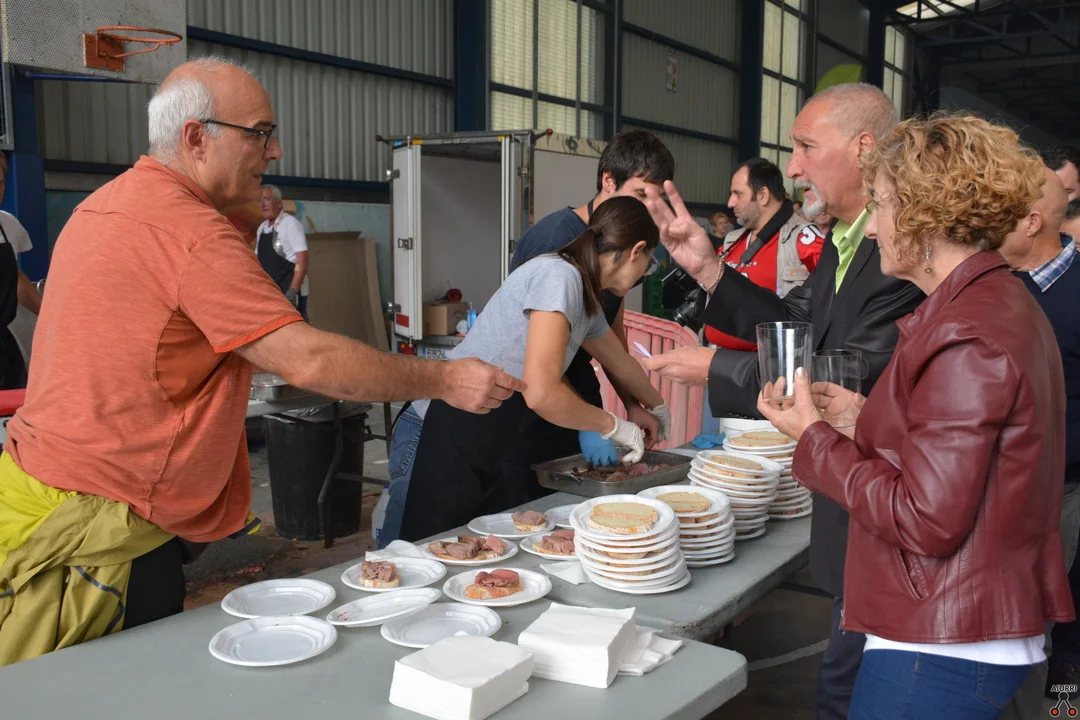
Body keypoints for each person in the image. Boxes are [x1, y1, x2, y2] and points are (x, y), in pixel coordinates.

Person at [0, 57, 523, 666]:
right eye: (259, 133)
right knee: (113, 683)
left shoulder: (103, 207)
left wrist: (241, 222)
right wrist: (446, 378)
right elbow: (308, 360)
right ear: (196, 138)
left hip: (40, 478)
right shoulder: (189, 233)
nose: (274, 151)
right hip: (103, 524)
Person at [757, 113, 1072, 720]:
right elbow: (970, 453)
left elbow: (927, 519)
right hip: (954, 624)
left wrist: (815, 439)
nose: (873, 227)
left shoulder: (966, 333)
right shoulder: (991, 303)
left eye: (880, 205)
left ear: (925, 218)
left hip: (944, 639)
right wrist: (862, 419)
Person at [641, 83, 925, 719]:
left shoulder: (897, 254)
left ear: (865, 147)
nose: (793, 167)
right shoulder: (846, 240)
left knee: (847, 693)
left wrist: (718, 367)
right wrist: (710, 270)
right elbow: (792, 325)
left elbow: (852, 374)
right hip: (856, 517)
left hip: (883, 523)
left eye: (806, 147)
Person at [378, 129, 675, 548]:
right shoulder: (559, 276)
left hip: (492, 422)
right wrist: (610, 424)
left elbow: (619, 360)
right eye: (649, 263)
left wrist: (654, 406)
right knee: (429, 550)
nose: (646, 273)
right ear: (636, 250)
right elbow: (541, 391)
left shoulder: (586, 292)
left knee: (483, 551)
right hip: (456, 423)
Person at [998, 168, 1080, 706]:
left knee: (1052, 621)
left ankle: (1060, 703)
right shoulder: (998, 285)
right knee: (1015, 620)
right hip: (1002, 488)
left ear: (1031, 223)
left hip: (1063, 489)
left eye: (999, 214)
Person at [705, 158, 822, 352]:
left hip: (766, 365)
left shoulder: (803, 239)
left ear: (763, 196)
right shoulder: (731, 241)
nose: (730, 202)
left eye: (737, 194)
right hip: (715, 358)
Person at [0, 153, 42, 389]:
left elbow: (16, 281)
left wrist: (51, 317)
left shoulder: (8, 225)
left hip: (4, 349)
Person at [256, 184, 309, 318]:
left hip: (286, 295)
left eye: (267, 199)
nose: (262, 204)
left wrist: (292, 292)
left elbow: (303, 261)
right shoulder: (262, 228)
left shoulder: (290, 224)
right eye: (259, 200)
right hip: (269, 296)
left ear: (279, 203)